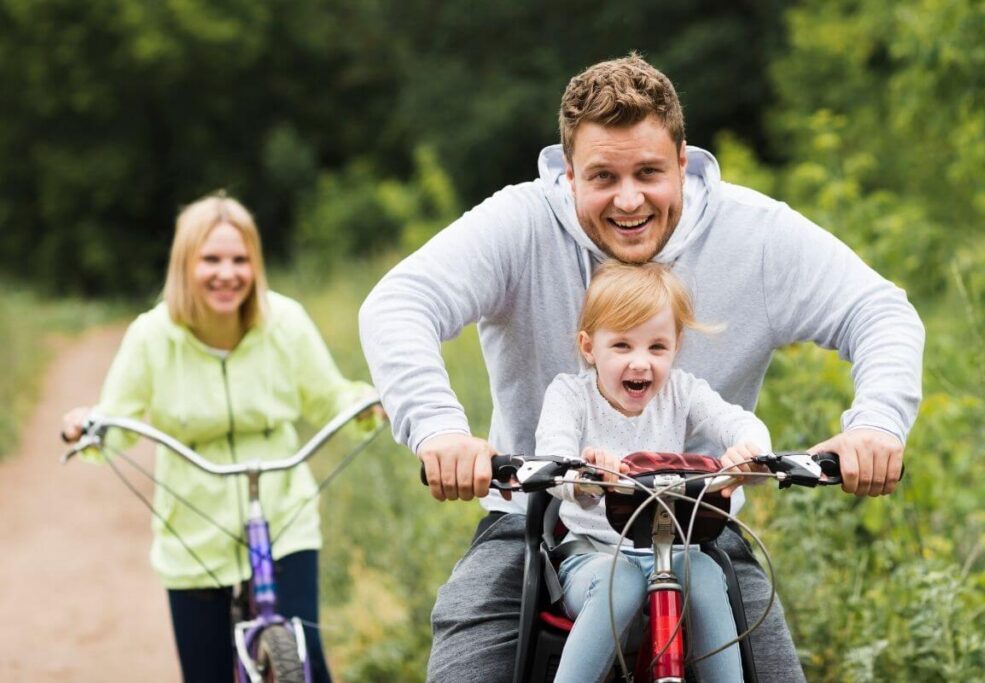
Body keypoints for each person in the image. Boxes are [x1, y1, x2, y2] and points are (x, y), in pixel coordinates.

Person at [359, 54, 924, 682]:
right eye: (603, 176)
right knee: (467, 659)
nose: (629, 200)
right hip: (539, 520)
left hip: (698, 526)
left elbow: (880, 311)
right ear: (570, 174)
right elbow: (398, 302)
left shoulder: (757, 236)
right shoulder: (518, 224)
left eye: (650, 172)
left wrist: (876, 424)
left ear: (683, 164)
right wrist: (439, 429)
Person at [61, 191, 380, 683]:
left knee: (307, 662)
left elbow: (328, 397)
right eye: (211, 259)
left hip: (283, 516)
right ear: (185, 265)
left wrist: (369, 404)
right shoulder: (151, 336)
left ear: (255, 265)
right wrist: (90, 425)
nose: (226, 273)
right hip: (192, 528)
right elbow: (115, 421)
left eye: (240, 259)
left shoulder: (285, 322)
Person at [538, 260, 768, 682]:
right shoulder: (570, 395)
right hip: (593, 552)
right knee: (619, 584)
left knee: (705, 576)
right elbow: (553, 458)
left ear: (676, 346)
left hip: (674, 549)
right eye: (622, 346)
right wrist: (584, 476)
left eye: (656, 347)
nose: (640, 363)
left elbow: (736, 420)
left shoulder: (683, 391)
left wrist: (749, 452)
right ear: (589, 347)